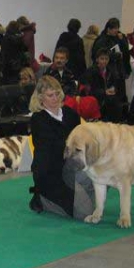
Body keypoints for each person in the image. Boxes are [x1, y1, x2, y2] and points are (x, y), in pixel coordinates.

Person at [28, 75, 93, 220]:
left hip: (73, 165)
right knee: (83, 213)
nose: (55, 98)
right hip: (51, 173)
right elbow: (55, 149)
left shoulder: (71, 114)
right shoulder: (38, 119)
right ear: (40, 98)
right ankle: (42, 199)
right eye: (50, 95)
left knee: (104, 173)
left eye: (57, 93)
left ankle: (85, 197)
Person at [91, 18, 131, 108]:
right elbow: (97, 54)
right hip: (107, 71)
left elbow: (126, 52)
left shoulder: (120, 37)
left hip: (119, 71)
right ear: (108, 29)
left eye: (117, 28)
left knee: (120, 94)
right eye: (115, 28)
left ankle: (121, 115)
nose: (117, 30)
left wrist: (122, 40)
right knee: (109, 94)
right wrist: (114, 55)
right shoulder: (101, 40)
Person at [80, 48, 122, 122]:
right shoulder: (90, 72)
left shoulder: (111, 71)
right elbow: (88, 91)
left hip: (107, 98)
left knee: (115, 101)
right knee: (112, 102)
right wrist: (104, 92)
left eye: (106, 59)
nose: (104, 61)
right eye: (102, 59)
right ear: (97, 60)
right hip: (95, 98)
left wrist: (113, 89)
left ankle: (114, 124)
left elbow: (115, 85)